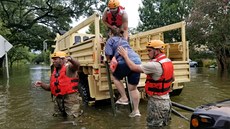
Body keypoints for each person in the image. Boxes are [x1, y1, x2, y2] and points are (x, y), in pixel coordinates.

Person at [118, 40, 174, 127]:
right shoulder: (168, 61)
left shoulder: (154, 65)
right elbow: (172, 78)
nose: (147, 53)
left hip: (157, 104)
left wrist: (125, 56)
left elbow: (133, 67)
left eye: (149, 50)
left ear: (157, 50)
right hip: (167, 102)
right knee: (165, 126)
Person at [105, 29, 141, 117]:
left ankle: (124, 97)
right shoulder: (125, 40)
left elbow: (108, 54)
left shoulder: (111, 40)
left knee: (115, 77)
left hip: (125, 61)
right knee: (133, 88)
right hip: (137, 61)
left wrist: (108, 60)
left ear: (111, 33)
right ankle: (136, 111)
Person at [35, 51, 82, 118]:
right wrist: (41, 84)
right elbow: (50, 88)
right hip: (58, 100)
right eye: (53, 59)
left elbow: (77, 65)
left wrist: (71, 59)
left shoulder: (69, 68)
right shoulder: (54, 71)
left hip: (70, 99)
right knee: (58, 119)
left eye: (55, 59)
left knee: (72, 120)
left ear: (62, 59)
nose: (53, 61)